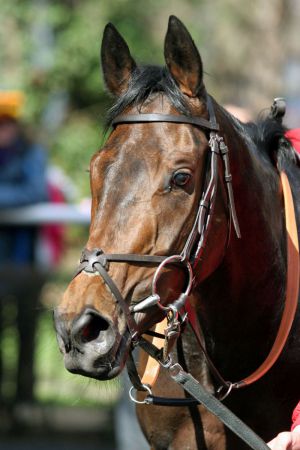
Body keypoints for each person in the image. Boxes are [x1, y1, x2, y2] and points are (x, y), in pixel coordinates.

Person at [0, 90, 48, 404]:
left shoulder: (31, 152)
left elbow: (35, 192)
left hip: (23, 262)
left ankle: (24, 400)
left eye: (5, 123)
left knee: (26, 331)